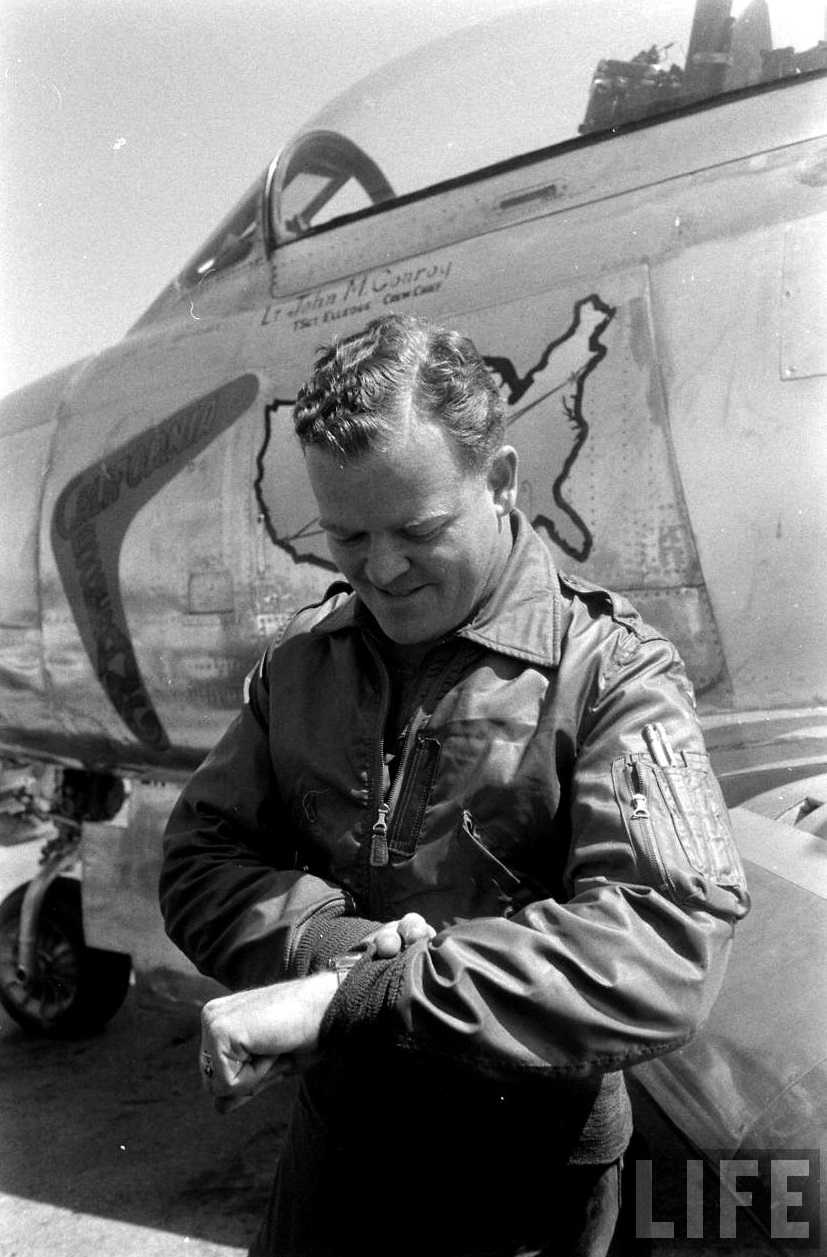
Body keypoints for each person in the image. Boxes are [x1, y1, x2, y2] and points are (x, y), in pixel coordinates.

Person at [159, 312, 750, 1257]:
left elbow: (662, 940)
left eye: (418, 528)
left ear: (504, 483)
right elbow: (200, 854)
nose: (380, 569)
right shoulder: (300, 666)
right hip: (340, 1147)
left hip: (526, 1177)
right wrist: (328, 944)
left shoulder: (612, 672)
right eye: (345, 534)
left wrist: (363, 997)